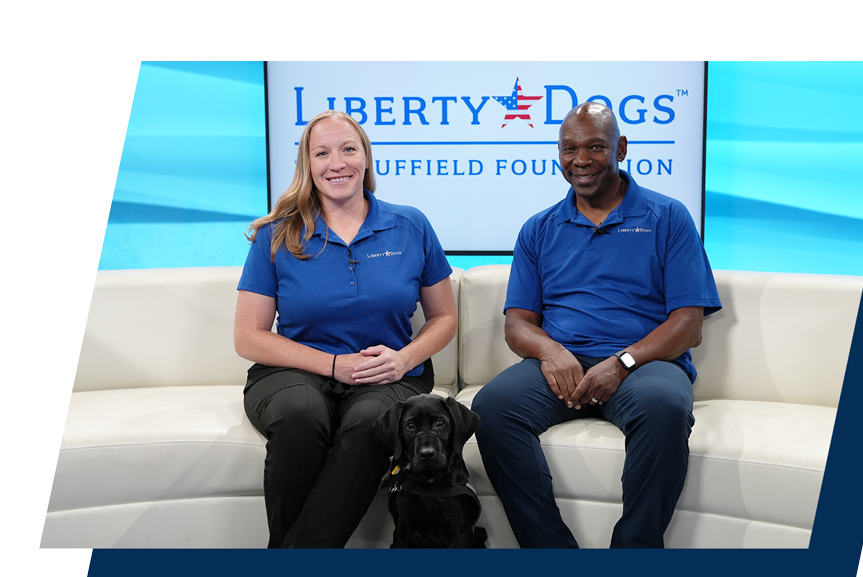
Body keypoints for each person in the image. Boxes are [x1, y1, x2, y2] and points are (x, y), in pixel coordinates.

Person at [471, 102, 721, 548]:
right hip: (562, 364)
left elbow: (688, 324)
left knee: (665, 407)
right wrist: (551, 352)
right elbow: (517, 324)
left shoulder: (668, 217)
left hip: (644, 362)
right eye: (569, 149)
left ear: (621, 149)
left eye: (595, 147)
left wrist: (622, 362)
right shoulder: (539, 228)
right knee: (491, 407)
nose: (580, 160)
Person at [235, 110, 457, 548]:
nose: (337, 163)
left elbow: (444, 317)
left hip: (389, 371)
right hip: (294, 371)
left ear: (367, 158)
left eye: (348, 149)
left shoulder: (410, 225)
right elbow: (248, 337)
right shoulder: (277, 234)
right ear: (307, 165)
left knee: (375, 421)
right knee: (300, 414)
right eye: (322, 153)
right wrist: (333, 365)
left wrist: (406, 359)